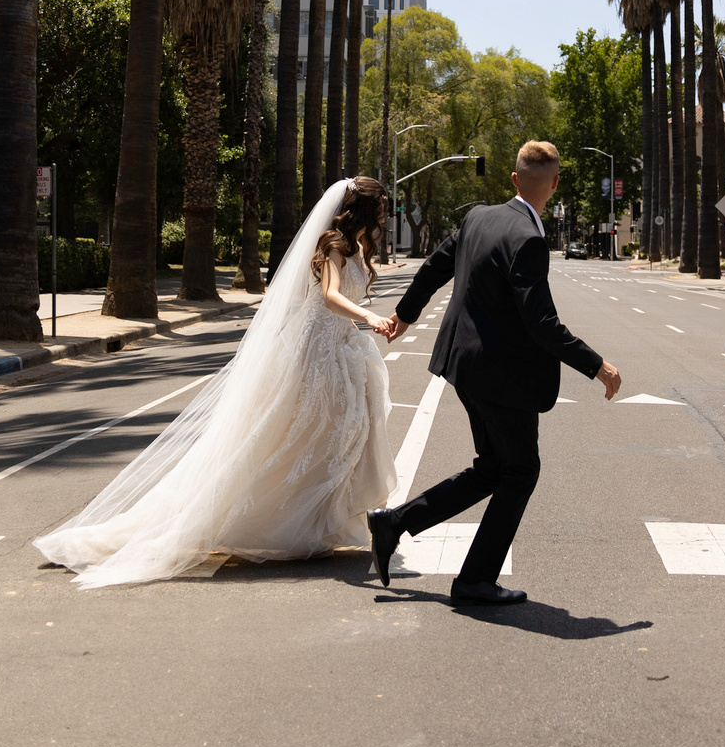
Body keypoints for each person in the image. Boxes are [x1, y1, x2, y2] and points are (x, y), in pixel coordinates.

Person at [34, 178, 395, 587]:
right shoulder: (333, 245)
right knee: (301, 433)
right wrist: (369, 316)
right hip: (314, 351)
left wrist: (364, 323)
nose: (384, 215)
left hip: (341, 347)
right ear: (363, 210)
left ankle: (317, 521)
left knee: (338, 433)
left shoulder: (359, 247)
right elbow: (329, 295)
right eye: (381, 207)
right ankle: (281, 520)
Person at [365, 140, 623, 606]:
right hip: (502, 378)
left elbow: (434, 268)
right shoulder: (528, 239)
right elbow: (540, 323)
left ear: (515, 179)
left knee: (493, 468)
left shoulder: (478, 217)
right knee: (520, 472)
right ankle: (474, 580)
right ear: (555, 184)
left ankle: (395, 523)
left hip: (464, 366)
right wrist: (595, 365)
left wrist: (404, 315)